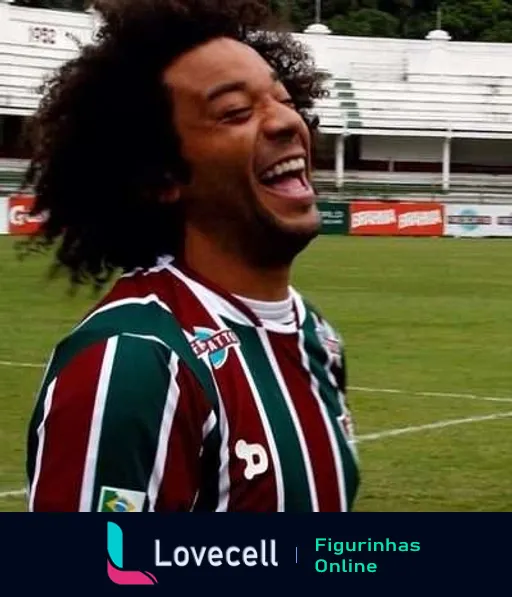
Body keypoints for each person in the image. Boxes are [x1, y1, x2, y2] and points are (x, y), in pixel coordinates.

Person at [23, 0, 359, 512]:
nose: (284, 122)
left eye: (283, 98)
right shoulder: (132, 361)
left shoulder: (318, 337)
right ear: (163, 178)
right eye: (235, 113)